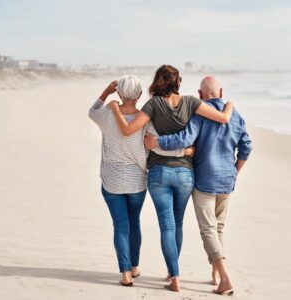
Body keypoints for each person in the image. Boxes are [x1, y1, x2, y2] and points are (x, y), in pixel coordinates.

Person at [109, 65, 234, 292]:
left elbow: (128, 130)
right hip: (186, 174)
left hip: (158, 173)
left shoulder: (153, 104)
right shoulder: (191, 102)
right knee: (177, 224)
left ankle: (174, 277)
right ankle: (171, 273)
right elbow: (224, 118)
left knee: (167, 226)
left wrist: (116, 109)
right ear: (179, 82)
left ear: (157, 81)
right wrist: (230, 105)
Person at [144, 76, 252, 295]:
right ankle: (215, 274)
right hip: (226, 180)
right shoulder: (236, 115)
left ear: (201, 95)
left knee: (208, 229)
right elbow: (246, 147)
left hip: (205, 180)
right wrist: (234, 171)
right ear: (220, 92)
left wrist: (158, 142)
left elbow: (184, 138)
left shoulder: (200, 115)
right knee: (218, 227)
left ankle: (225, 278)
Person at [88, 75, 194, 287]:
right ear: (138, 95)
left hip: (112, 179)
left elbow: (92, 111)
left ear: (120, 93)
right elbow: (154, 145)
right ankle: (135, 266)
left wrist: (106, 92)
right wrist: (185, 151)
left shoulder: (108, 114)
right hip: (137, 180)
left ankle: (126, 274)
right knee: (134, 223)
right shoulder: (145, 119)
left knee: (120, 226)